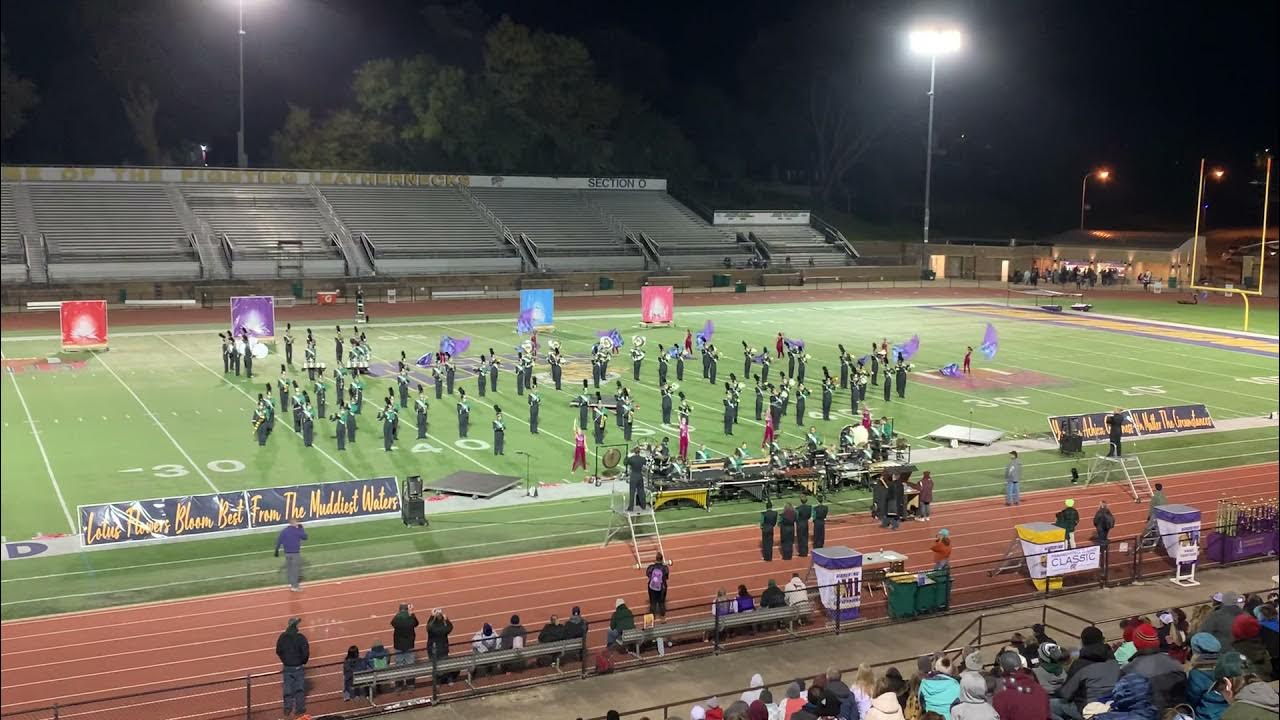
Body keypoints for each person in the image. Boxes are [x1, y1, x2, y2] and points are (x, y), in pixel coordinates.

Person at [1055, 626, 1119, 720]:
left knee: (1050, 705)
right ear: (1102, 640)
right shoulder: (1113, 660)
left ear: (1082, 642)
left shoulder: (1079, 664)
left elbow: (1066, 694)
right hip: (1111, 705)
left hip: (1088, 709)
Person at [994, 649, 1050, 720]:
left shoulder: (1001, 695)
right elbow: (1048, 715)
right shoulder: (1040, 689)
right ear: (1021, 666)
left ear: (1002, 668)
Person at [1186, 633, 1226, 720]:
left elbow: (1191, 700)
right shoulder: (1227, 666)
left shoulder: (1197, 674)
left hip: (1206, 715)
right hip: (1227, 712)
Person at [275, 617, 309, 718]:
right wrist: (303, 661)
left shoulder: (282, 637)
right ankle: (299, 708)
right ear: (296, 626)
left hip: (287, 666)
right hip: (298, 666)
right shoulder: (301, 637)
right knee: (299, 689)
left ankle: (287, 708)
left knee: (287, 689)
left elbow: (278, 650)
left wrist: (285, 660)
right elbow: (305, 652)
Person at [1230, 614, 1273, 681]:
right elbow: (1269, 668)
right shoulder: (1261, 644)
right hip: (1267, 683)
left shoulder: (1235, 651)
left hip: (1246, 686)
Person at [389, 603, 419, 688]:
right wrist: (411, 613)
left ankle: (399, 684)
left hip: (398, 644)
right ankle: (410, 683)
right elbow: (416, 623)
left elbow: (393, 623)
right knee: (410, 664)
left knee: (399, 665)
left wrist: (399, 614)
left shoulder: (397, 618)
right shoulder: (410, 619)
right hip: (409, 644)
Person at [274, 518, 308, 592]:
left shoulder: (284, 531)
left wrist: (276, 550)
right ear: (295, 523)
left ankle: (290, 583)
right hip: (295, 553)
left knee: (289, 569)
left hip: (287, 553)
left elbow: (279, 540)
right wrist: (301, 529)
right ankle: (295, 587)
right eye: (297, 523)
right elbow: (305, 537)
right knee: (295, 570)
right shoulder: (297, 530)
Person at [426, 608, 455, 684]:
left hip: (432, 649)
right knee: (445, 665)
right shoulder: (444, 627)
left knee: (435, 666)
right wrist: (446, 620)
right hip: (443, 648)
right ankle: (449, 679)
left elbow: (428, 627)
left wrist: (432, 616)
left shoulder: (432, 627)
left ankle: (437, 682)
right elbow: (450, 627)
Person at [646, 552, 670, 618]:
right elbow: (666, 577)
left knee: (653, 602)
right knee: (661, 602)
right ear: (662, 559)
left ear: (656, 559)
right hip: (662, 587)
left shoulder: (651, 567)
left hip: (652, 587)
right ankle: (662, 616)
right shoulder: (665, 568)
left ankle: (652, 617)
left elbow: (648, 574)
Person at [626, 446, 647, 511]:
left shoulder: (631, 459)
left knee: (632, 492)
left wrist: (628, 455)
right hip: (640, 476)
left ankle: (631, 508)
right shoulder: (642, 459)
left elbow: (625, 462)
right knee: (641, 491)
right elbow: (645, 463)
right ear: (639, 452)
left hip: (633, 476)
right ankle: (643, 506)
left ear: (634, 452)